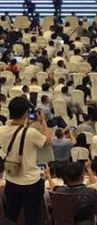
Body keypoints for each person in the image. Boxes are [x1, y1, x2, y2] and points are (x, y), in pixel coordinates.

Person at [0, 96, 52, 225]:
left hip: (11, 180)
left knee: (11, 217)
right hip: (31, 182)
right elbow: (47, 141)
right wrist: (43, 122)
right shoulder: (31, 133)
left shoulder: (1, 130)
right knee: (32, 218)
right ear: (25, 113)